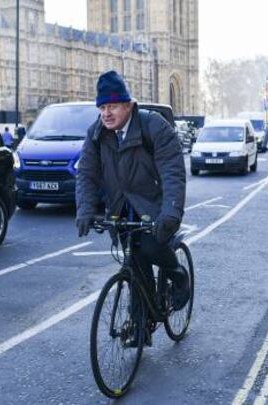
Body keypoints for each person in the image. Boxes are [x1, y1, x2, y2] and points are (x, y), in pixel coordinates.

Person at [76, 70, 189, 324]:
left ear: (128, 105)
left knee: (149, 246)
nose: (106, 113)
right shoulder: (96, 134)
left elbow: (173, 172)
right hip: (121, 208)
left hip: (154, 204)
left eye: (112, 106)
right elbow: (86, 173)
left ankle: (178, 275)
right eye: (102, 107)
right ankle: (142, 321)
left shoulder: (154, 126)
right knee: (133, 260)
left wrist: (171, 212)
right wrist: (85, 209)